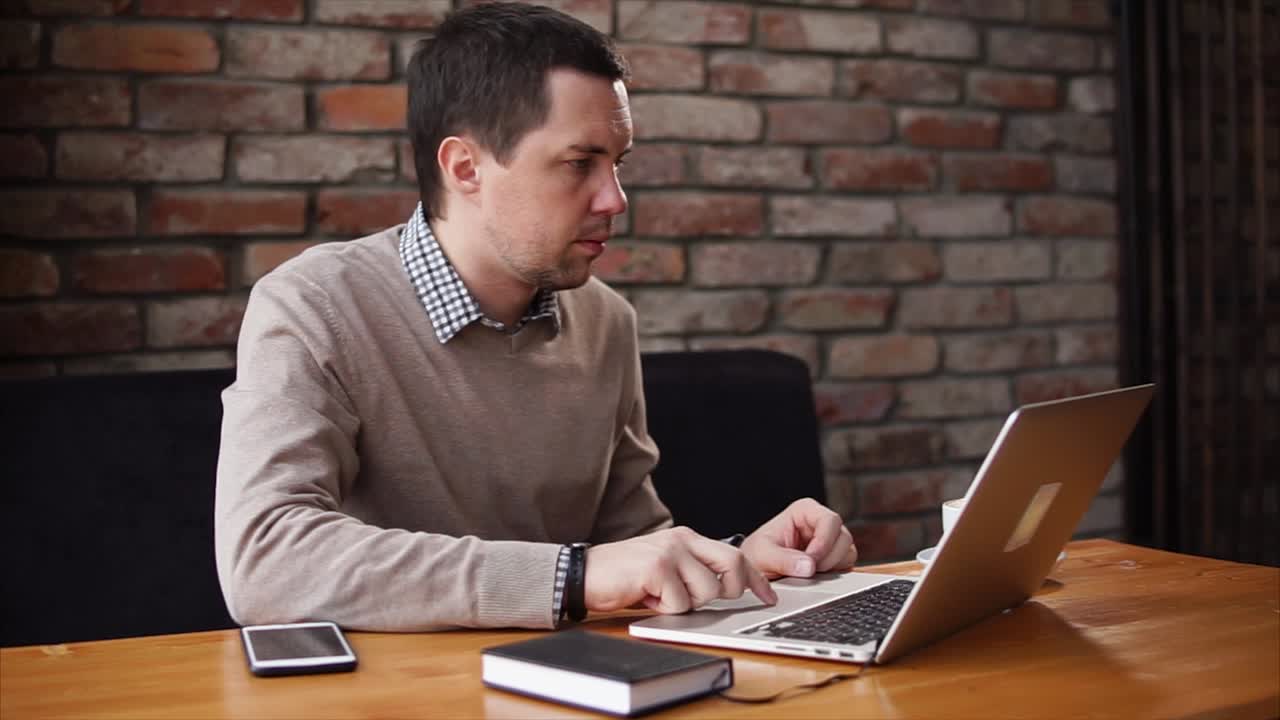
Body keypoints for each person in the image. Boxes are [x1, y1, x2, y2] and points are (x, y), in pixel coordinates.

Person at [214, 1, 857, 632]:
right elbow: (266, 560)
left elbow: (630, 550)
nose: (616, 198)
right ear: (466, 168)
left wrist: (740, 561)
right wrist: (570, 578)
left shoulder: (606, 321)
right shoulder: (314, 304)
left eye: (618, 163)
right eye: (580, 164)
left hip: (577, 687)